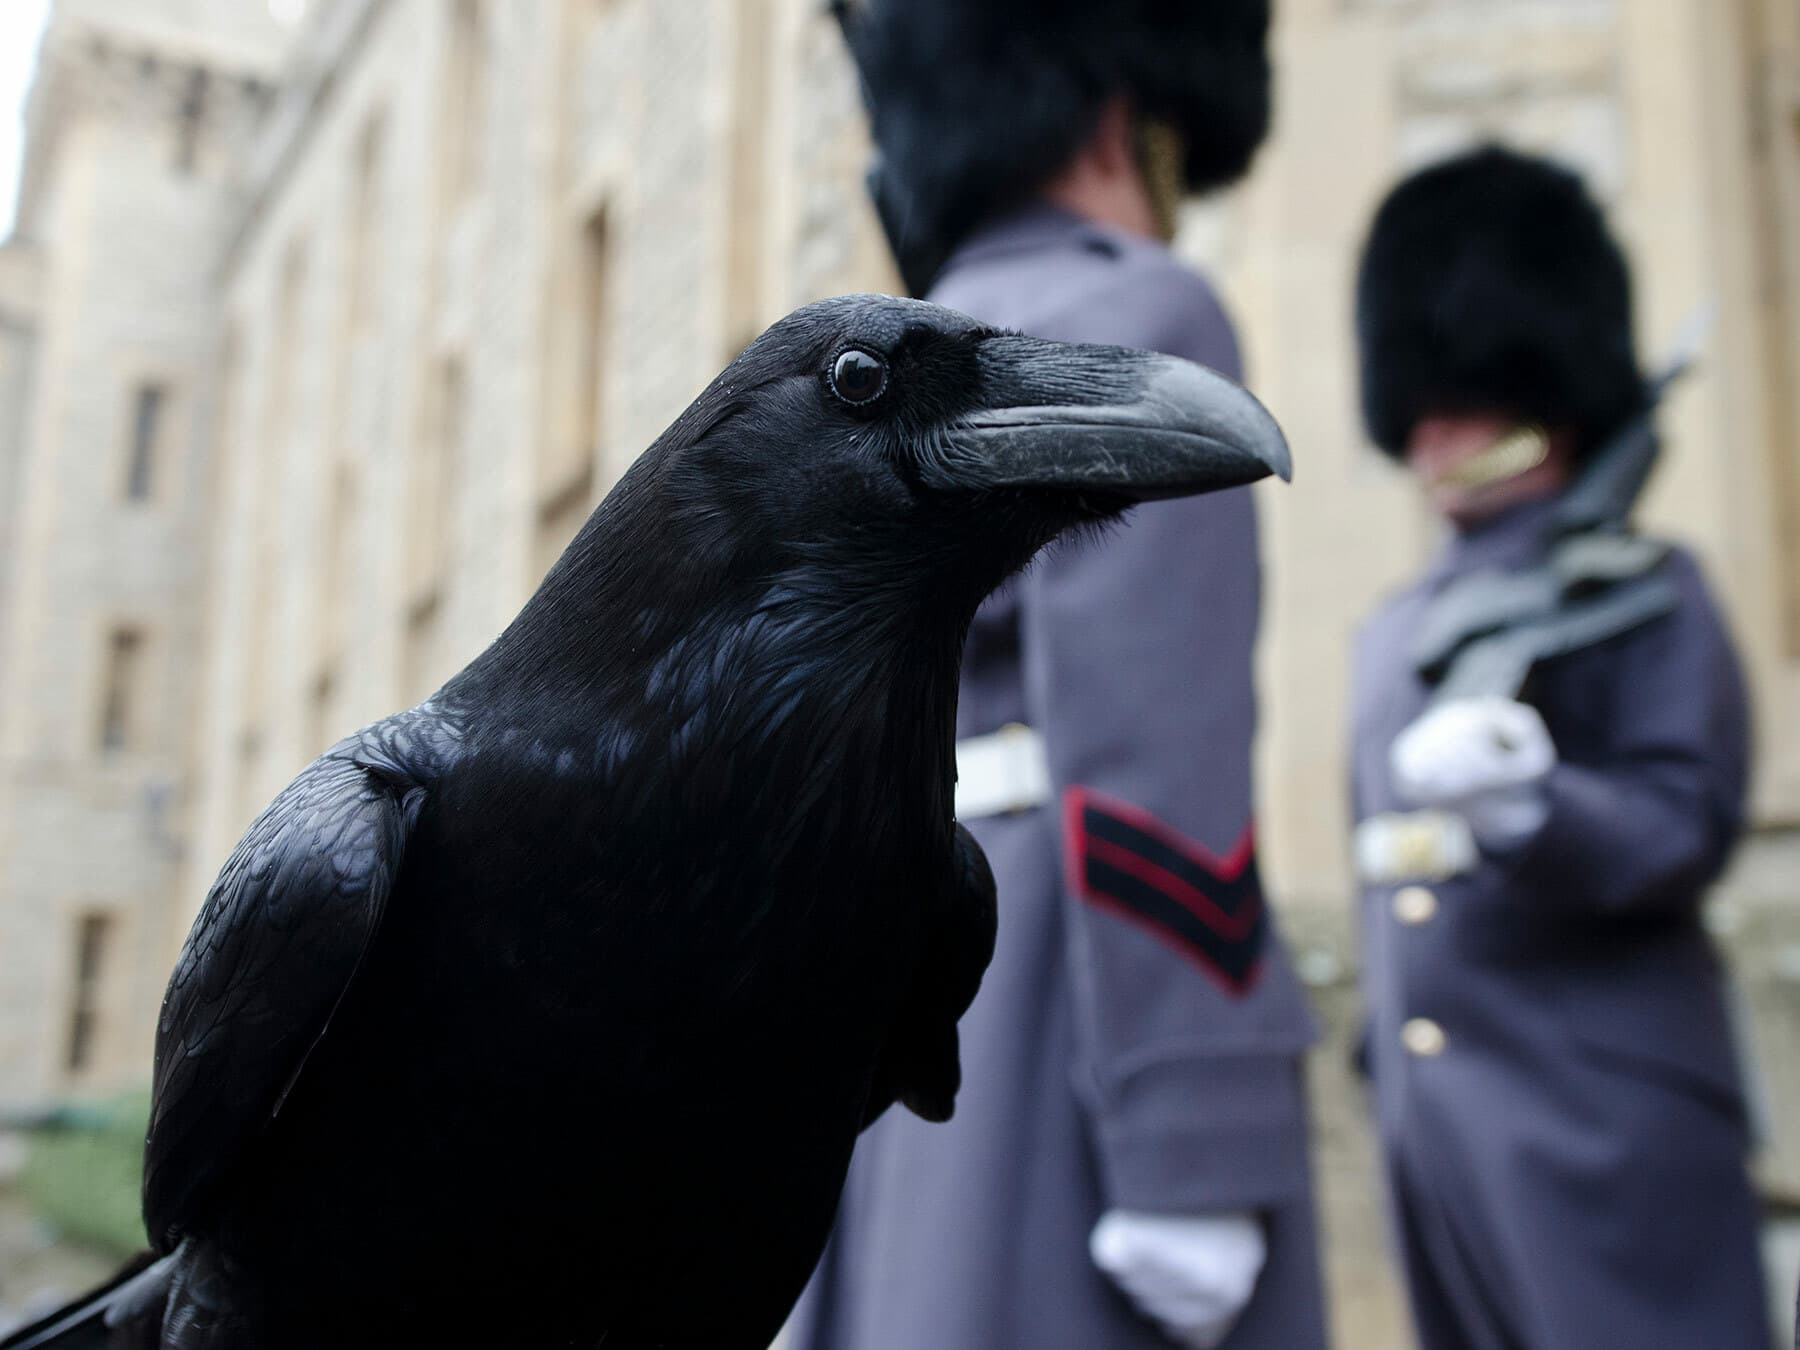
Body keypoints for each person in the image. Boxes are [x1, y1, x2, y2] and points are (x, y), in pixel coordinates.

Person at [788, 4, 1328, 1348]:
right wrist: (1191, 1137)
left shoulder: (837, 377)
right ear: (1118, 114)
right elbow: (1156, 738)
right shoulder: (1145, 311)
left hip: (857, 1024)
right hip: (1055, 1020)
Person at [1348, 144, 1770, 1350]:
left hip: (1597, 1117)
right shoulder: (1398, 625)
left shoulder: (1649, 586)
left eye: (1462, 404)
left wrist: (1535, 803)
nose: (1432, 434)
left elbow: (1684, 819)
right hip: (1436, 1122)